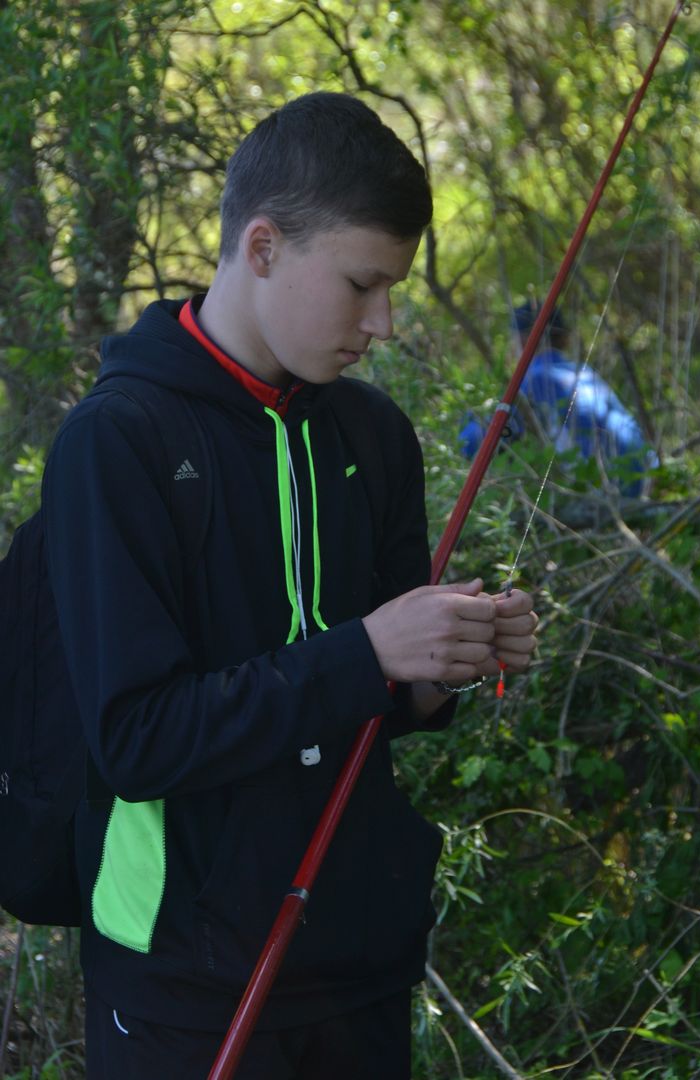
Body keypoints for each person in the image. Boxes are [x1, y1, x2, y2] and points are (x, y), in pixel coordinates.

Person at [41, 92, 538, 1079]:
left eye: (392, 289)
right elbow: (137, 740)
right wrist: (367, 651)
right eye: (362, 284)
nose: (382, 323)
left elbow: (380, 703)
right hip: (184, 986)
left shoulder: (373, 435)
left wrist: (445, 658)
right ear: (262, 247)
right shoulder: (117, 443)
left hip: (358, 966)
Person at [459, 300, 656, 496]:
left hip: (596, 494)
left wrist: (469, 420)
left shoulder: (535, 380)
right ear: (564, 338)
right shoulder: (586, 373)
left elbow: (473, 444)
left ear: (523, 340)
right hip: (643, 485)